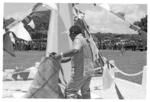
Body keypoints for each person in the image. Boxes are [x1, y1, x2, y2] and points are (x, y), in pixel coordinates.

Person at [55, 25, 94, 99]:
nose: (69, 37)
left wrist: (61, 54)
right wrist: (59, 60)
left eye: (69, 34)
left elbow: (75, 50)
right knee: (85, 92)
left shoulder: (77, 39)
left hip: (81, 72)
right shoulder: (85, 40)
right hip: (89, 72)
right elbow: (72, 57)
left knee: (70, 91)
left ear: (72, 33)